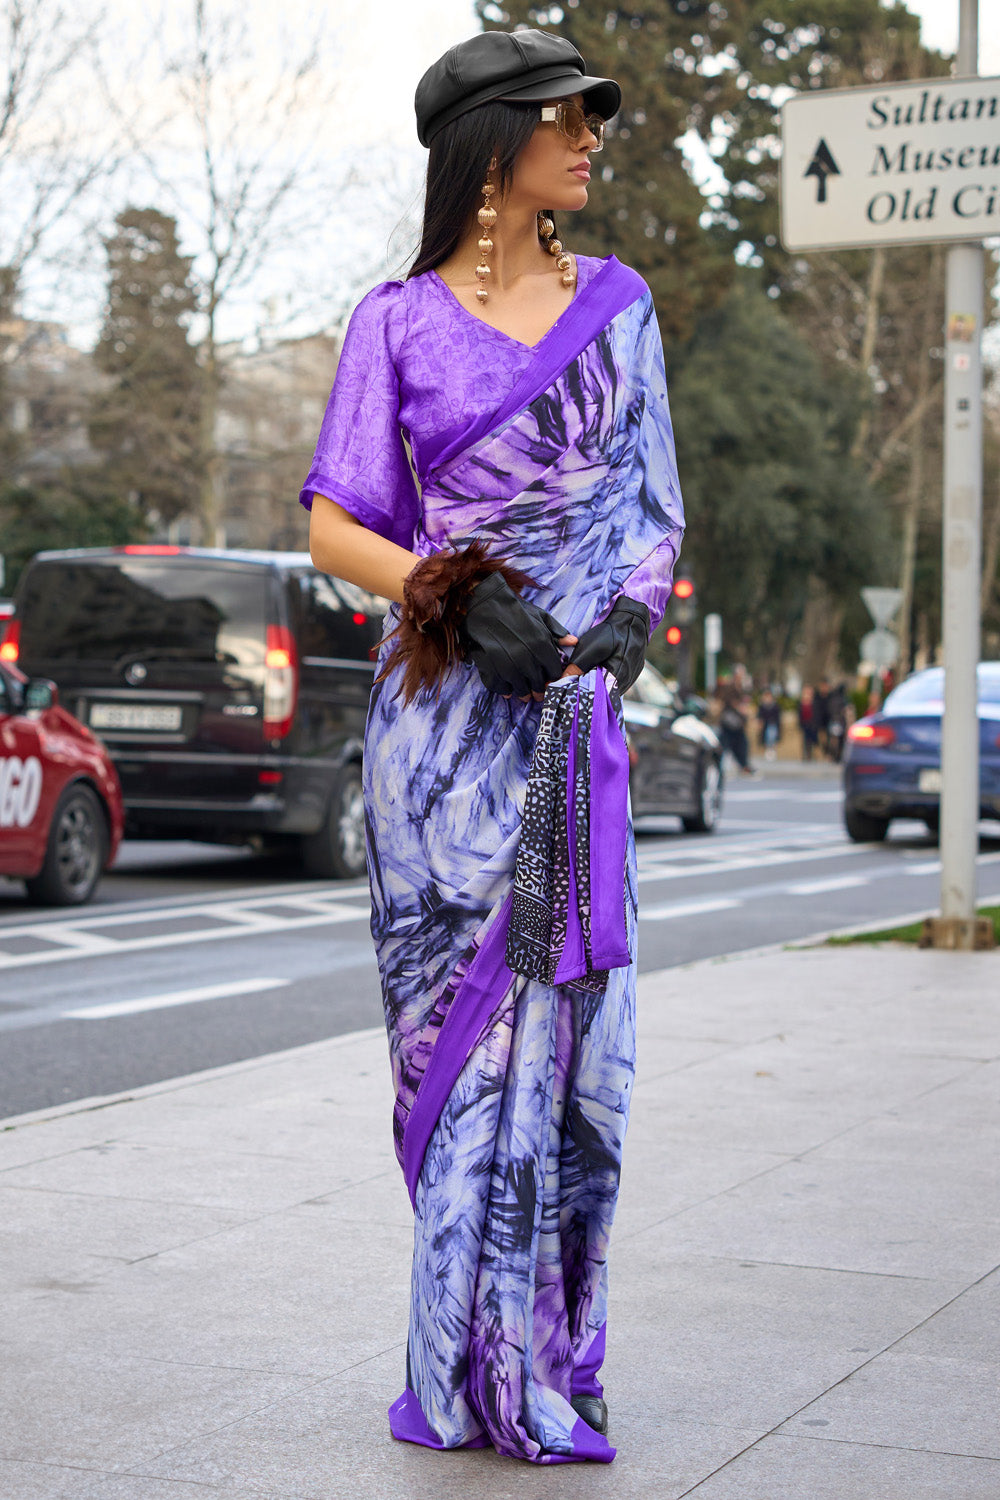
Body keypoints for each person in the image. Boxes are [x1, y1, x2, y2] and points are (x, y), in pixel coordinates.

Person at [301, 30, 684, 1466]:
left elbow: (652, 508)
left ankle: (545, 1357)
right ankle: (458, 1362)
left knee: (571, 1060)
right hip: (439, 737)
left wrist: (632, 623)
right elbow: (336, 520)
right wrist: (447, 592)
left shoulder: (624, 308)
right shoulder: (394, 322)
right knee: (449, 1058)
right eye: (568, 118)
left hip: (569, 727)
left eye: (595, 118)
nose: (591, 139)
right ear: (490, 144)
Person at [756, 686, 781, 761]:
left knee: (772, 737)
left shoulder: (775, 706)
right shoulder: (762, 706)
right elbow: (760, 715)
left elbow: (778, 716)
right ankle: (768, 752)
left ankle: (772, 751)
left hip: (772, 724)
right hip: (765, 725)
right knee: (766, 738)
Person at [799, 683, 819, 759]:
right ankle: (805, 755)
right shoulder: (802, 703)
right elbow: (800, 714)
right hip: (805, 724)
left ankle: (812, 755)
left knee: (813, 740)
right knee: (805, 741)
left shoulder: (814, 702)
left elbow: (816, 714)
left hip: (812, 724)